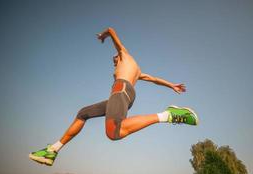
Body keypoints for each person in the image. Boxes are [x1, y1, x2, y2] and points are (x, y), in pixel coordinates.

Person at [29, 27, 199, 166]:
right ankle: (53, 150)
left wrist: (105, 35)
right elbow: (154, 79)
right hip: (123, 94)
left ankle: (168, 115)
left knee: (113, 132)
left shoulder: (124, 55)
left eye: (115, 58)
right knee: (83, 113)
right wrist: (171, 85)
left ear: (120, 55)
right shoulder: (137, 70)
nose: (114, 60)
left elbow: (111, 30)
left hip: (121, 90)